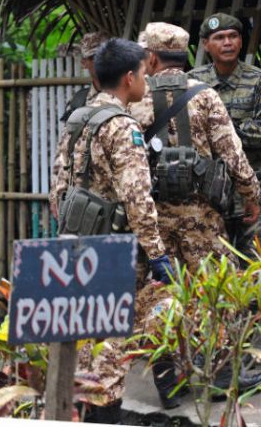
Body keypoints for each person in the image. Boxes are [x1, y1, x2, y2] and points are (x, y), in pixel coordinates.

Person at [127, 21, 261, 393]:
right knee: (215, 291)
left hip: (154, 220)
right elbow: (233, 155)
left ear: (151, 57)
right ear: (186, 53)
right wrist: (251, 196)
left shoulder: (135, 97)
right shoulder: (205, 95)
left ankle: (166, 374)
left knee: (157, 294)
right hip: (201, 218)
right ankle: (220, 374)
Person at [51, 37, 176, 422]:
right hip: (116, 250)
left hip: (77, 242)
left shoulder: (78, 119)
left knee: (83, 337)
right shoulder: (123, 126)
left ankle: (86, 408)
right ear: (128, 78)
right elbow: (138, 197)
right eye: (142, 73)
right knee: (112, 344)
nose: (145, 80)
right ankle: (105, 413)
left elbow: (58, 188)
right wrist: (157, 254)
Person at [188, 13, 261, 263]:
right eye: (219, 38)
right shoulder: (193, 82)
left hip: (254, 190)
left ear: (241, 42)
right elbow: (185, 133)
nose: (227, 42)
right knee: (212, 269)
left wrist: (219, 131)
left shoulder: (259, 80)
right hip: (207, 192)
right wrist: (238, 129)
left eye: (233, 36)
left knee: (257, 266)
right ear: (206, 45)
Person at [49, 31, 109, 218]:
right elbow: (64, 152)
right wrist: (56, 192)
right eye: (94, 57)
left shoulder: (131, 96)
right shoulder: (79, 102)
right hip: (87, 198)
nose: (100, 61)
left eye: (105, 55)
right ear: (84, 62)